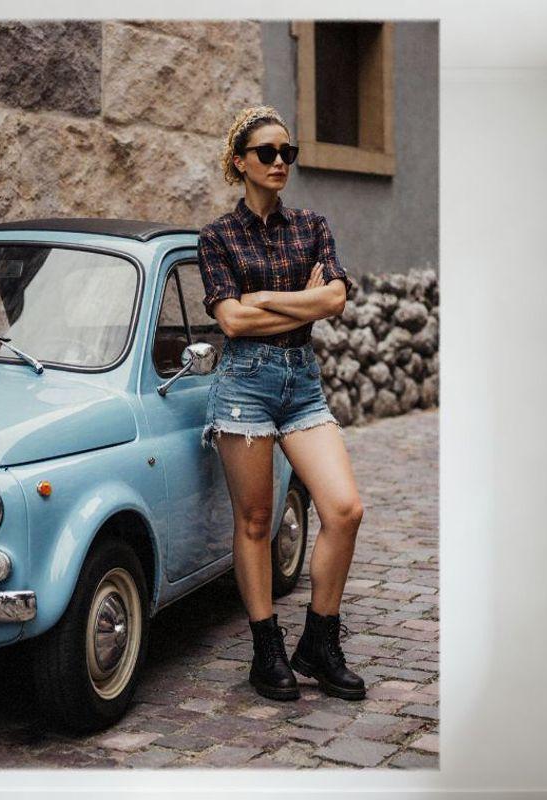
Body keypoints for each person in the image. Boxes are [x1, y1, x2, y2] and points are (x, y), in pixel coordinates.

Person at [197, 105, 366, 703]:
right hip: (244, 386)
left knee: (344, 509)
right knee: (255, 522)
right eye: (266, 152)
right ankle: (266, 650)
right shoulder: (217, 237)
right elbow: (232, 321)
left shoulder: (312, 226)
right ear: (239, 162)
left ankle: (319, 642)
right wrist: (302, 300)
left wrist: (266, 297)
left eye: (286, 152)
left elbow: (336, 299)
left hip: (302, 383)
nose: (278, 162)